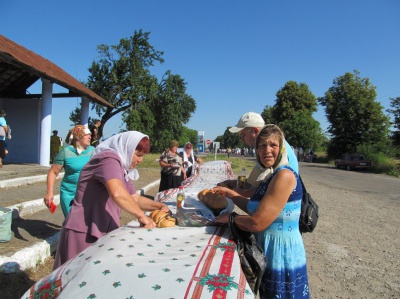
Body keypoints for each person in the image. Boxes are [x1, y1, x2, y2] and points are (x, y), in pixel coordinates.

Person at [214, 124, 309, 298]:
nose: (267, 150)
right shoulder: (271, 174)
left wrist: (231, 219)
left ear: (281, 148)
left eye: (273, 145)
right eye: (262, 146)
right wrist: (230, 194)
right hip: (269, 247)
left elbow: (257, 222)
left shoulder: (284, 175)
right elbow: (254, 207)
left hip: (281, 253)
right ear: (257, 151)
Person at [53, 131, 170, 269]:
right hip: (84, 231)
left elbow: (133, 198)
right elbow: (117, 193)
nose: (140, 160)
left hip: (101, 230)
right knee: (73, 280)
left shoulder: (121, 167)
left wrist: (159, 206)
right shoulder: (108, 159)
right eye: (138, 155)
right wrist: (141, 216)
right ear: (127, 149)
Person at [220, 112, 299, 197]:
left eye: (243, 135)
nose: (242, 139)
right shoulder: (263, 149)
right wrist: (234, 183)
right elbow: (253, 182)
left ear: (255, 130)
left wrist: (230, 192)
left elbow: (261, 192)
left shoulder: (271, 151)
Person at [44, 125, 94, 217]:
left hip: (88, 194)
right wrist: (49, 192)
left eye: (90, 134)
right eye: (86, 134)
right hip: (69, 194)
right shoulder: (66, 152)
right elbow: (53, 172)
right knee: (72, 222)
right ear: (77, 137)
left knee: (85, 223)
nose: (90, 136)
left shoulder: (93, 151)